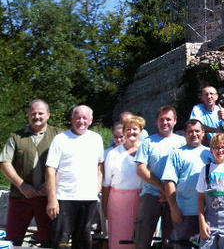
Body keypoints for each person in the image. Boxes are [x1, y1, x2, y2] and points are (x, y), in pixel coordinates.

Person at [0, 99, 60, 247]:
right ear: (28, 115)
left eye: (40, 113)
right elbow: (4, 162)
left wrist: (50, 185)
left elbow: (67, 164)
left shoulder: (59, 135)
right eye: (33, 113)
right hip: (20, 197)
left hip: (48, 199)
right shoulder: (16, 137)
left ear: (48, 115)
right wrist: (22, 185)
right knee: (12, 240)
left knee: (50, 241)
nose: (36, 116)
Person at [46, 105, 104, 249]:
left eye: (85, 118)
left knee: (83, 240)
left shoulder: (96, 139)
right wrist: (52, 199)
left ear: (90, 120)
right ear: (72, 119)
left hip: (88, 199)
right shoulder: (60, 139)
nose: (81, 121)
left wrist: (97, 187)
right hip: (64, 198)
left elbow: (99, 166)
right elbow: (50, 170)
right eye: (78, 117)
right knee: (62, 241)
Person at [134, 106, 186, 249]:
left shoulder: (182, 142)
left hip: (175, 197)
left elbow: (185, 170)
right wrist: (163, 188)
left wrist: (170, 192)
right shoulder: (148, 142)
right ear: (157, 121)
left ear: (175, 121)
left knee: (171, 240)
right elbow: (141, 169)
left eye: (168, 119)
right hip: (151, 195)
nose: (165, 122)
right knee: (142, 238)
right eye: (161, 119)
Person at [162, 119, 212, 249]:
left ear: (203, 133)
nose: (194, 134)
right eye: (190, 131)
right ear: (184, 133)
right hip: (184, 212)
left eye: (197, 131)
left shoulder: (211, 153)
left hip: (208, 213)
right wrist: (174, 208)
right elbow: (169, 182)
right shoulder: (176, 154)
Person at [103, 115, 146, 249]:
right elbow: (106, 184)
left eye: (135, 129)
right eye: (128, 129)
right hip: (118, 203)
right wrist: (104, 207)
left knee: (140, 239)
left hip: (142, 200)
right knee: (119, 239)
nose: (131, 132)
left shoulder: (146, 150)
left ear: (141, 131)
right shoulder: (113, 154)